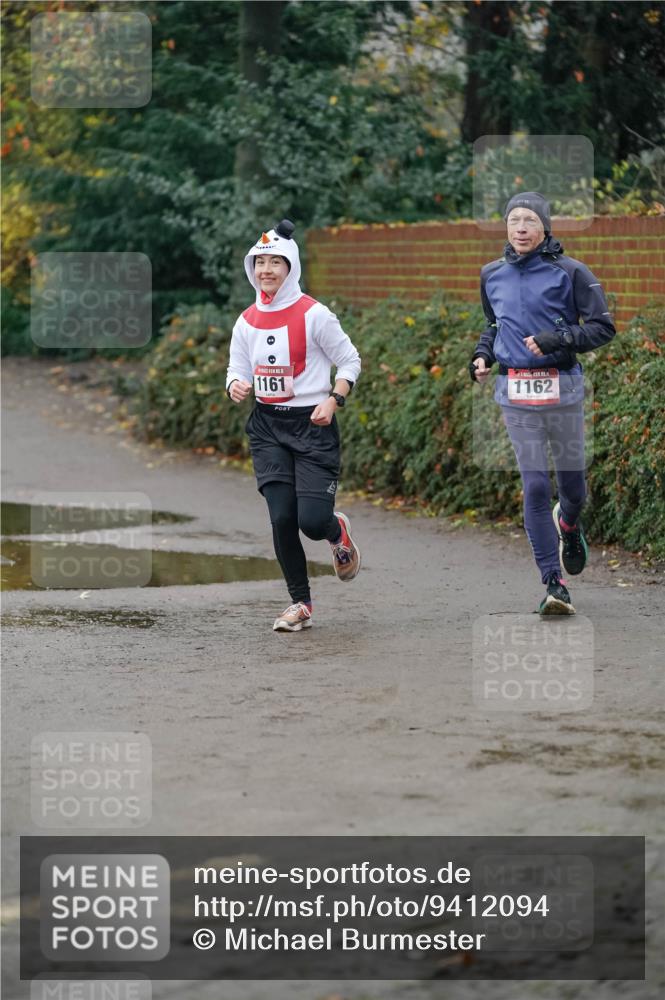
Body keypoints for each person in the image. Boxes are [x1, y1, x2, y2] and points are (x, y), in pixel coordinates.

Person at [469, 192, 616, 614]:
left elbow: (603, 328)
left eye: (529, 220)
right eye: (513, 220)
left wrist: (559, 338)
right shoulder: (491, 274)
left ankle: (568, 523)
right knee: (535, 484)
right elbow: (494, 325)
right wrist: (482, 356)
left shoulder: (571, 272)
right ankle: (554, 583)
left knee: (573, 489)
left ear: (544, 228)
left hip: (562, 389)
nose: (520, 228)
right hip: (515, 395)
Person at [226, 219, 362, 632]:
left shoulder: (315, 315)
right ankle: (299, 604)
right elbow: (236, 366)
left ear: (290, 268)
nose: (266, 270)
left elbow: (351, 360)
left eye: (275, 263)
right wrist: (235, 384)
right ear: (253, 270)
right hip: (267, 427)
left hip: (312, 425)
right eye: (260, 263)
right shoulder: (246, 320)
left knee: (310, 520)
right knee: (282, 517)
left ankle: (336, 530)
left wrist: (334, 399)